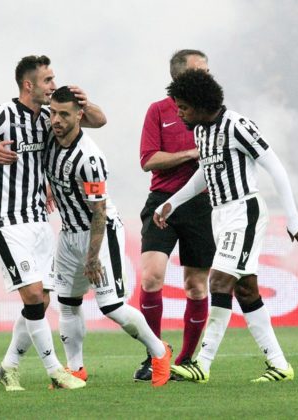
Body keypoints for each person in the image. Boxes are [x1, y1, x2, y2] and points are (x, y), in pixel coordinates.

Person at [0, 55, 106, 391]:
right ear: (28, 85)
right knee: (34, 295)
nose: (53, 85)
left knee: (42, 301)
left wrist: (84, 101)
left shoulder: (51, 117)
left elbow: (99, 121)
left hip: (38, 219)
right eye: (47, 80)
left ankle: (8, 367)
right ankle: (55, 371)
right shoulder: (4, 113)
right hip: (6, 220)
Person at [154, 69, 298, 383]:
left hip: (244, 210)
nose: (179, 113)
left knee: (219, 281)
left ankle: (202, 363)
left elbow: (274, 166)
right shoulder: (201, 131)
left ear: (200, 103)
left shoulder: (237, 125)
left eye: (183, 107)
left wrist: (293, 217)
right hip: (220, 215)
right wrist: (173, 202)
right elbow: (206, 172)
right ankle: (280, 365)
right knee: (246, 290)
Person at [46, 86, 173, 387]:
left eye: (64, 114)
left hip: (100, 232)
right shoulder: (50, 137)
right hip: (68, 232)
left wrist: (92, 258)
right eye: (53, 113)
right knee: (67, 302)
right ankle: (75, 368)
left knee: (112, 307)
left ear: (79, 116)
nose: (56, 120)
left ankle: (159, 352)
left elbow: (99, 212)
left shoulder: (89, 158)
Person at [134, 49, 215, 382]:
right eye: (201, 70)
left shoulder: (212, 113)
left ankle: (184, 360)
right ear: (180, 75)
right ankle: (155, 355)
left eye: (208, 70)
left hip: (201, 204)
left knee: (196, 285)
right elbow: (148, 160)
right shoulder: (158, 110)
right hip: (162, 200)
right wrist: (190, 153)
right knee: (151, 277)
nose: (208, 76)